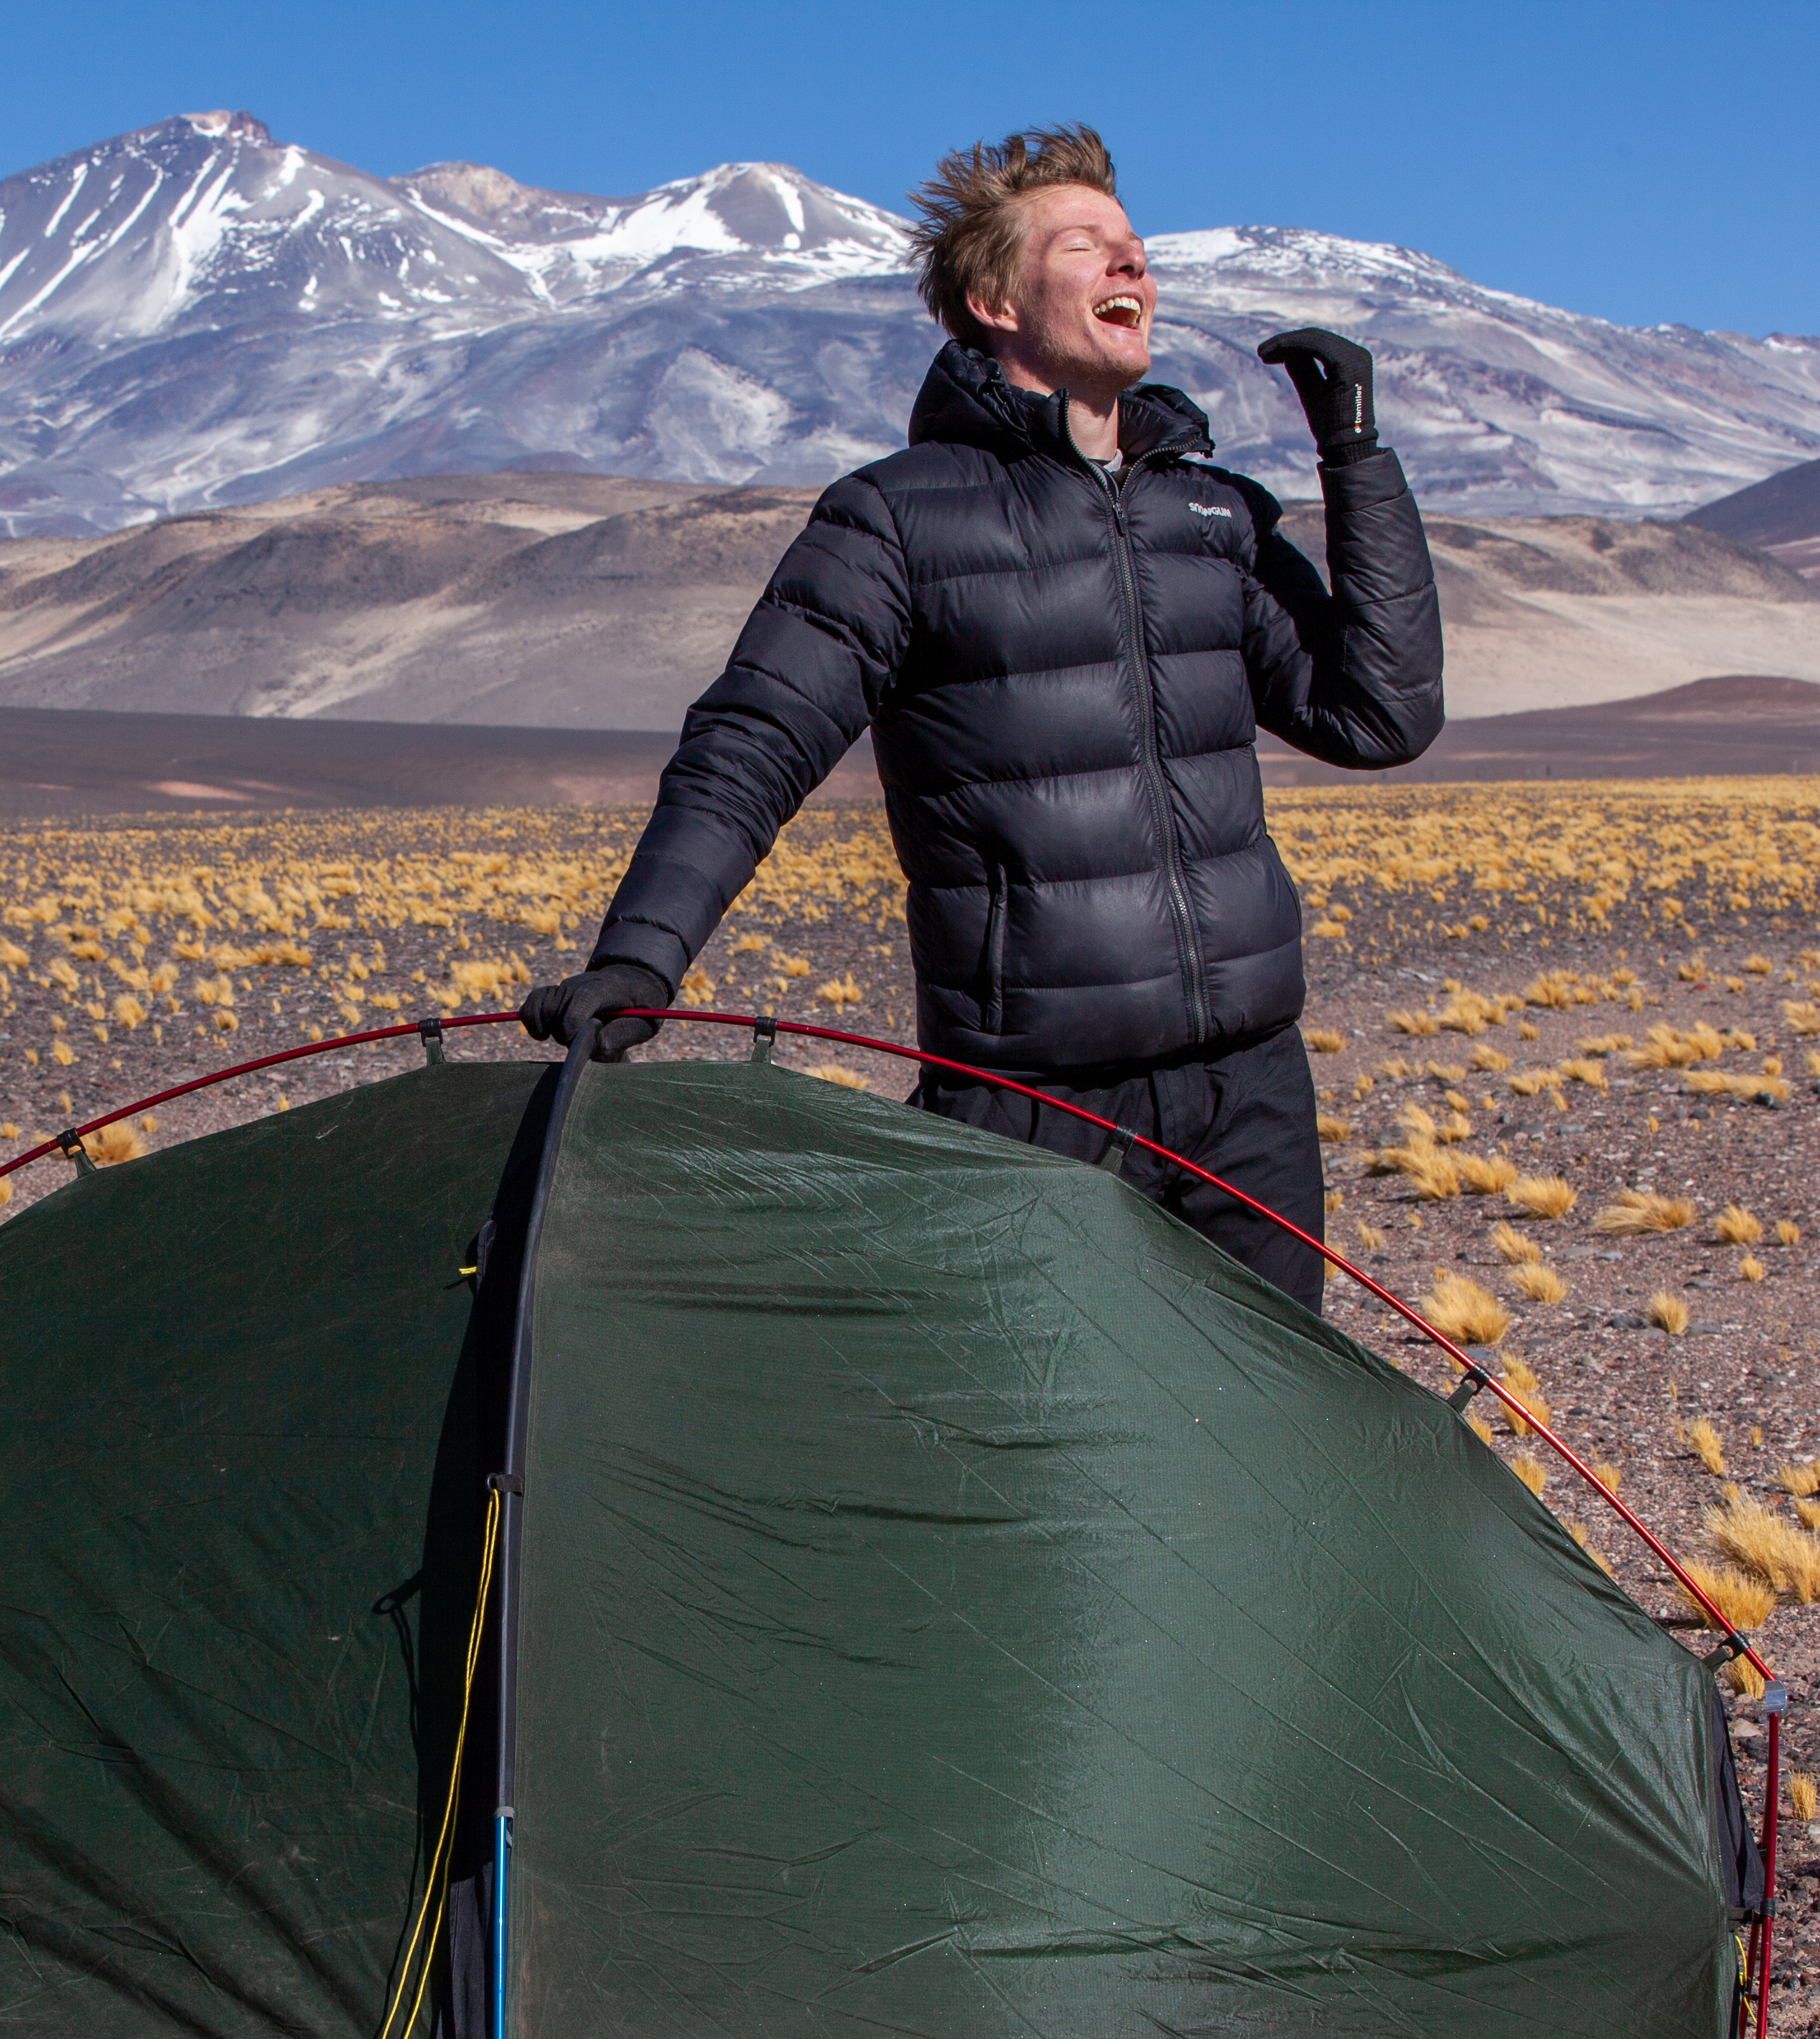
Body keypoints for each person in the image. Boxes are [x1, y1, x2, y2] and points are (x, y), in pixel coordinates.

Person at [520, 124, 1442, 1311]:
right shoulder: (900, 523)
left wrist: (1356, 457)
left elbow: (1380, 713)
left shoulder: (1212, 513)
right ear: (994, 299)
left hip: (1246, 1094)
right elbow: (753, 742)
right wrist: (640, 956)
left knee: (1250, 1457)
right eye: (1087, 248)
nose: (1132, 270)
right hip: (1033, 1099)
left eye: (1136, 250)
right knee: (1029, 1451)